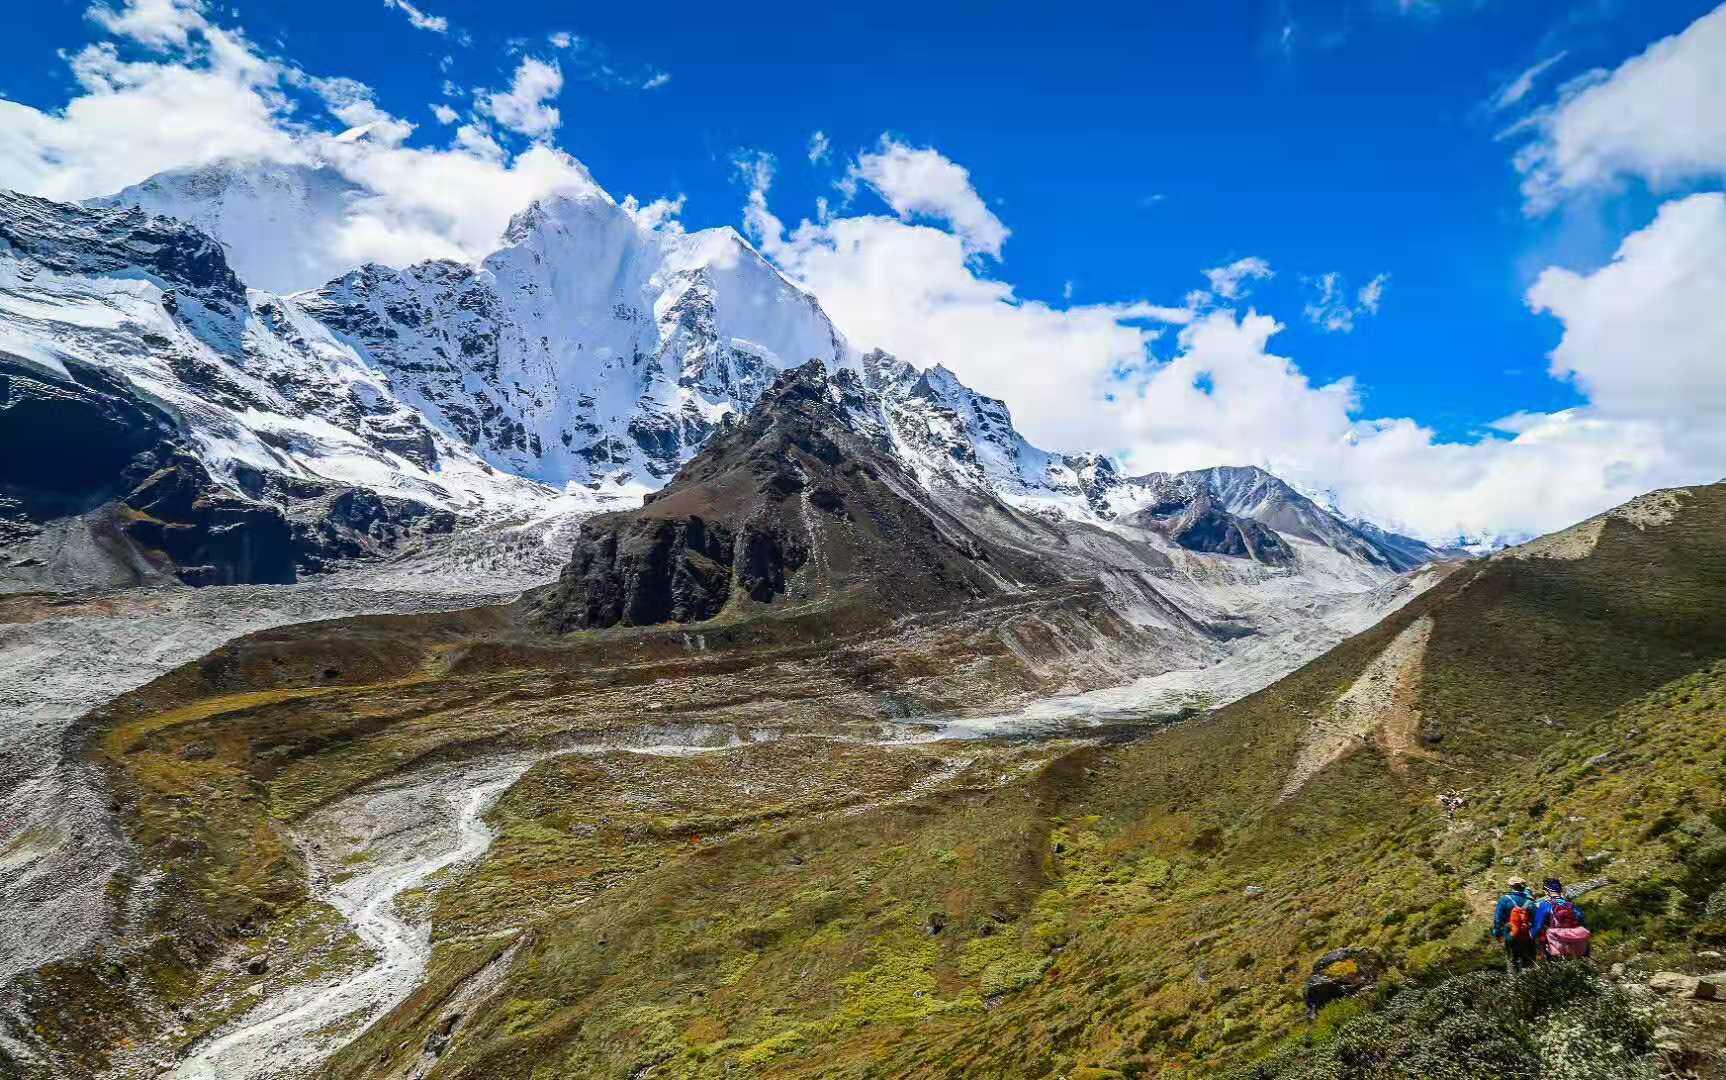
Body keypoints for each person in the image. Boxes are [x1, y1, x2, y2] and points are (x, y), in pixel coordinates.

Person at [1533, 878, 1592, 960]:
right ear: (1560, 891)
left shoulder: (1544, 905)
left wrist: (1530, 935)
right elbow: (1583, 920)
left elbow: (1538, 927)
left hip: (1556, 946)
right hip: (1576, 944)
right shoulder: (1571, 905)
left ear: (1546, 891)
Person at [1491, 876, 1538, 973]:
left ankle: (1514, 984)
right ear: (1522, 886)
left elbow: (1497, 919)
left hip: (1511, 934)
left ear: (1511, 886)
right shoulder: (1530, 901)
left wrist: (1497, 934)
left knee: (1512, 961)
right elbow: (1535, 919)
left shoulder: (1504, 899)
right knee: (1529, 963)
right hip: (1527, 935)